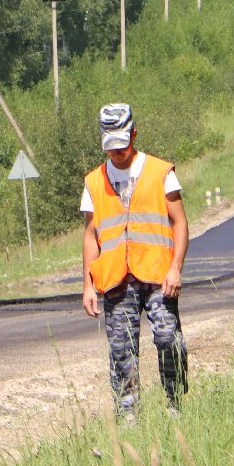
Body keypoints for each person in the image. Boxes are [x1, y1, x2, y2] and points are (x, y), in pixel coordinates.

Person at [80, 102, 190, 417]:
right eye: (111, 146)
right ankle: (129, 417)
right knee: (121, 352)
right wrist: (87, 285)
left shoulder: (160, 172)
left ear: (134, 135)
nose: (117, 152)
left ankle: (175, 405)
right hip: (115, 278)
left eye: (123, 144)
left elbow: (179, 223)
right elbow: (91, 236)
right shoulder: (93, 182)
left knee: (168, 339)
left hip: (158, 276)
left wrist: (175, 268)